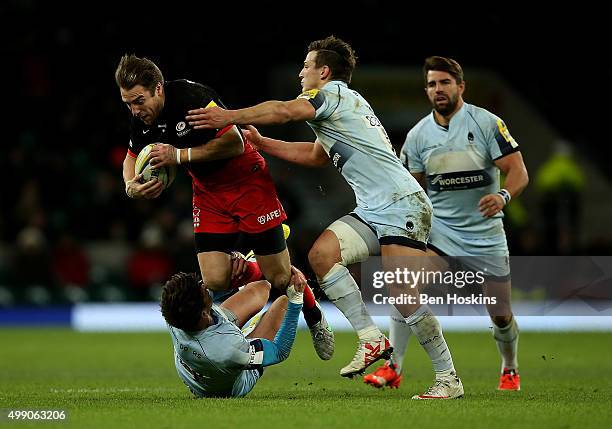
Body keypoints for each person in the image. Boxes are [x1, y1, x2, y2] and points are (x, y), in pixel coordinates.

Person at [186, 36, 463, 399]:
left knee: (402, 294)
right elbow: (318, 155)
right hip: (373, 207)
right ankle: (370, 338)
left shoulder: (329, 94)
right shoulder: (343, 104)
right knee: (321, 257)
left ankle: (448, 379)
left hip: (401, 203)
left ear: (325, 71)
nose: (301, 72)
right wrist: (263, 143)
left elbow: (285, 111)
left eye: (306, 65)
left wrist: (230, 116)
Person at [114, 55, 333, 360]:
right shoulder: (141, 118)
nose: (135, 110)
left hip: (247, 181)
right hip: (208, 192)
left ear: (159, 89)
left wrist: (178, 156)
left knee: (280, 280)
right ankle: (246, 260)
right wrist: (130, 186)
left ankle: (314, 314)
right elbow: (130, 156)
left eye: (138, 101)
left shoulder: (194, 100)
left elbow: (235, 144)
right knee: (215, 280)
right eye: (128, 104)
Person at [364, 56, 529, 392]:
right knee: (403, 286)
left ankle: (510, 367)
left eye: (444, 82)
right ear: (426, 90)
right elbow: (411, 188)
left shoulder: (486, 123)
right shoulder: (419, 136)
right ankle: (394, 366)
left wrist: (502, 197)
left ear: (460, 86)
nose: (437, 89)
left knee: (500, 313)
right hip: (439, 234)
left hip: (485, 237)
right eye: (431, 84)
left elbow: (518, 171)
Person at [161, 269, 306, 398]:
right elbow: (279, 351)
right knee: (284, 303)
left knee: (261, 286)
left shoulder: (174, 311)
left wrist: (243, 268)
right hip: (231, 384)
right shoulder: (227, 351)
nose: (204, 285)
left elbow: (214, 287)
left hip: (199, 368)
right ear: (204, 313)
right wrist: (297, 299)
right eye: (202, 289)